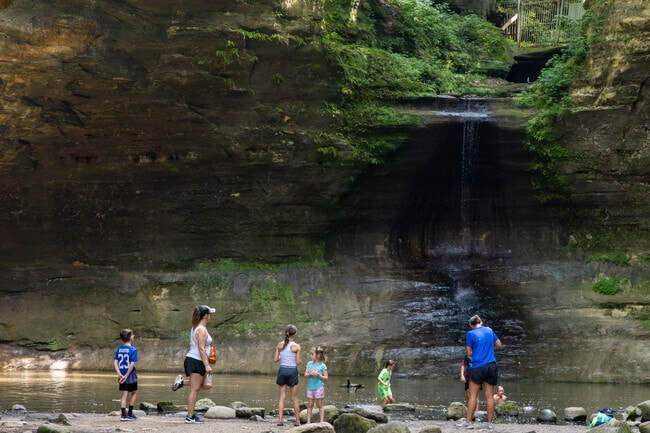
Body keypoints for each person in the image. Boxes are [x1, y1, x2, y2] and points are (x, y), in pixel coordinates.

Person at [457, 315, 502, 430]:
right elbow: (499, 345)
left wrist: (478, 352)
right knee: (489, 396)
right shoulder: (490, 330)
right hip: (491, 366)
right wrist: (488, 349)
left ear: (471, 325)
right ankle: (490, 423)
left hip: (478, 367)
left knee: (473, 395)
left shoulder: (470, 334)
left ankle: (468, 422)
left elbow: (469, 353)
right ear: (481, 322)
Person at [180, 305, 216, 424]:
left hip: (197, 359)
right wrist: (206, 365)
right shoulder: (201, 329)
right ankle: (190, 416)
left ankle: (182, 382)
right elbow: (201, 348)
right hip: (196, 360)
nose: (210, 316)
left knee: (206, 385)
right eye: (209, 314)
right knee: (194, 390)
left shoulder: (198, 327)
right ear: (205, 315)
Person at [273, 324, 302, 427]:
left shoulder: (280, 345)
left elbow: (275, 359)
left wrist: (282, 355)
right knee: (294, 398)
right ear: (295, 334)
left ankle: (280, 420)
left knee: (282, 397)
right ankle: (298, 421)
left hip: (282, 370)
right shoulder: (297, 346)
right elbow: (298, 362)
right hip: (292, 370)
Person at [113, 328, 139, 421]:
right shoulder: (133, 349)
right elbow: (132, 364)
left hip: (121, 375)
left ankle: (123, 415)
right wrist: (127, 375)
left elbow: (115, 362)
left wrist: (120, 374)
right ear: (130, 338)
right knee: (135, 392)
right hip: (130, 376)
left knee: (124, 394)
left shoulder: (119, 349)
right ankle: (130, 413)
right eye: (132, 335)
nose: (133, 336)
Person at [304, 346, 328, 423]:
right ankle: (308, 421)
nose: (310, 356)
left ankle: (321, 421)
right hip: (310, 387)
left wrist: (319, 375)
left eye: (312, 354)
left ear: (318, 355)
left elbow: (326, 377)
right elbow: (305, 375)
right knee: (310, 404)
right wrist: (310, 374)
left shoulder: (322, 365)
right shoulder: (309, 364)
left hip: (319, 387)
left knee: (320, 404)